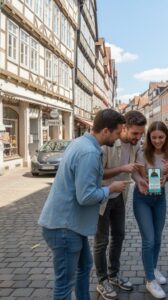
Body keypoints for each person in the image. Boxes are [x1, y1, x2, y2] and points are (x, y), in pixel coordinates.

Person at [38, 109, 130, 300]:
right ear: (105, 131)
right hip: (64, 227)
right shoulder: (88, 152)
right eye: (117, 132)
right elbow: (86, 196)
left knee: (85, 267)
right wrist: (111, 189)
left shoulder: (80, 143)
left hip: (70, 225)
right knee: (64, 285)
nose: (120, 136)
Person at [94, 110, 147, 300]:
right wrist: (122, 169)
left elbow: (134, 170)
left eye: (141, 134)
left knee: (119, 236)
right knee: (101, 241)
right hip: (103, 197)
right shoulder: (108, 145)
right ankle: (102, 280)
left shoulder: (135, 145)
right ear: (124, 128)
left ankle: (114, 275)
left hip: (119, 197)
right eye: (135, 134)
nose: (138, 137)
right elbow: (99, 174)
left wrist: (140, 180)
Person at [132, 121, 168, 299]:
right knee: (148, 240)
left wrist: (167, 175)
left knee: (157, 238)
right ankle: (149, 280)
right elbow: (135, 173)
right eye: (154, 137)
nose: (157, 141)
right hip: (142, 199)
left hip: (160, 198)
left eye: (161, 137)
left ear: (166, 137)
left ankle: (153, 269)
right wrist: (139, 180)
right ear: (149, 137)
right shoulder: (142, 153)